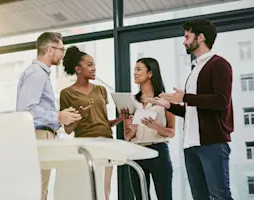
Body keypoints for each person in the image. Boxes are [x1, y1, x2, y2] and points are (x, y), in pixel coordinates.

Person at [149, 19, 234, 200]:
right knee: (199, 197)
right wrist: (169, 105)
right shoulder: (195, 69)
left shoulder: (219, 64)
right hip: (191, 146)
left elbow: (221, 101)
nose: (184, 41)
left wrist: (185, 98)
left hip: (211, 144)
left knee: (220, 196)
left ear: (201, 37)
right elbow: (193, 110)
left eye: (187, 36)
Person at [16, 32, 82, 200]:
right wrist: (58, 117)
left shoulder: (39, 73)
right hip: (38, 136)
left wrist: (62, 118)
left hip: (40, 135)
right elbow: (27, 110)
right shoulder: (37, 73)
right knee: (38, 191)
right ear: (50, 50)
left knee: (39, 190)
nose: (62, 54)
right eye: (61, 49)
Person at [59, 46, 128, 200]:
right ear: (78, 69)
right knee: (88, 190)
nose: (94, 68)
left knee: (104, 191)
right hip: (86, 144)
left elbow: (102, 122)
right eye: (89, 65)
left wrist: (120, 119)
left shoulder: (101, 90)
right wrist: (81, 116)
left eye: (94, 64)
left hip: (107, 142)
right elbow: (68, 129)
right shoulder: (67, 93)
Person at [124, 57, 175, 200]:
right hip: (136, 153)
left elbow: (171, 132)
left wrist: (156, 127)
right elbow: (126, 136)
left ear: (150, 73)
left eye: (138, 69)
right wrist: (132, 127)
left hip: (158, 152)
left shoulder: (165, 100)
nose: (135, 72)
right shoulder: (131, 101)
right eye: (134, 69)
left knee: (164, 197)